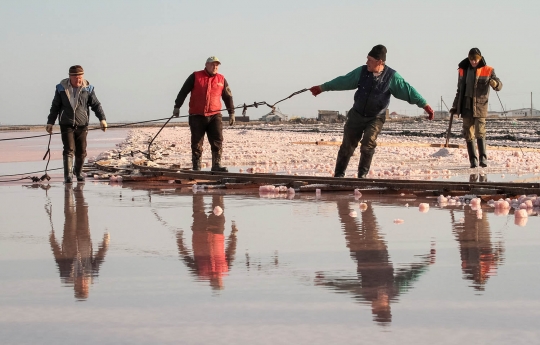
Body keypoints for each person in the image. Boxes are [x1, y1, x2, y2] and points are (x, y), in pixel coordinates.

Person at [310, 45, 434, 178]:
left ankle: (362, 176)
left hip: (376, 117)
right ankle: (339, 175)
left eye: (369, 60)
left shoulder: (392, 77)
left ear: (379, 62)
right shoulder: (362, 72)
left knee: (368, 144)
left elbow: (408, 91)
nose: (366, 62)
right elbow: (343, 81)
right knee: (347, 146)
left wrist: (425, 105)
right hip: (356, 115)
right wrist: (323, 87)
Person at [173, 56, 235, 172]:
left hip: (215, 115)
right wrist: (177, 106)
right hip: (197, 115)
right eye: (212, 64)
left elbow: (228, 97)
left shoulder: (221, 79)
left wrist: (231, 113)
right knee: (197, 142)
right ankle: (197, 167)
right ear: (206, 64)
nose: (215, 67)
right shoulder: (195, 76)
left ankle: (216, 165)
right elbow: (183, 91)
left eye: (217, 65)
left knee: (217, 141)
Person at [46, 65, 107, 183]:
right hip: (66, 123)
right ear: (70, 77)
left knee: (81, 151)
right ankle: (68, 176)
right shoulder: (61, 88)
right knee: (69, 149)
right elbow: (55, 106)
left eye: (80, 78)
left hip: (82, 124)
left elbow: (96, 105)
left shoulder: (88, 88)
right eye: (76, 78)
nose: (78, 80)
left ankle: (78, 172)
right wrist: (50, 122)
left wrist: (102, 119)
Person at [49, 184, 110, 300]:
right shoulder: (92, 273)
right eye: (84, 286)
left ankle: (69, 190)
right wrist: (105, 243)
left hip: (69, 238)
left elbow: (58, 257)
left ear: (75, 286)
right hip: (84, 236)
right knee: (83, 212)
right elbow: (99, 258)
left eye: (81, 286)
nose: (83, 283)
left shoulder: (66, 274)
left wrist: (53, 242)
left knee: (70, 214)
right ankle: (79, 190)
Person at [450, 48, 502, 168]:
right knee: (468, 134)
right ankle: (473, 161)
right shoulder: (463, 70)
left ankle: (483, 160)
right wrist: (455, 106)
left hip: (480, 107)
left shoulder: (488, 70)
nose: (474, 62)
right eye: (472, 59)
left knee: (480, 132)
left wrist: (495, 83)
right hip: (466, 106)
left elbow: (499, 85)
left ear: (480, 58)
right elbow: (459, 90)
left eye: (476, 59)